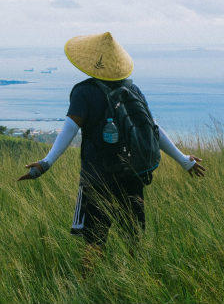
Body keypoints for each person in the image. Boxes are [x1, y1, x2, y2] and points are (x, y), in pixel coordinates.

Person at [18, 32, 205, 255]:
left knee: (94, 241)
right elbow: (154, 129)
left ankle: (86, 287)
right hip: (133, 175)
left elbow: (70, 129)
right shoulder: (132, 89)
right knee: (135, 239)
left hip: (97, 178)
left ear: (91, 63)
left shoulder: (84, 91)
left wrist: (45, 163)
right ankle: (137, 284)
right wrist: (184, 161)